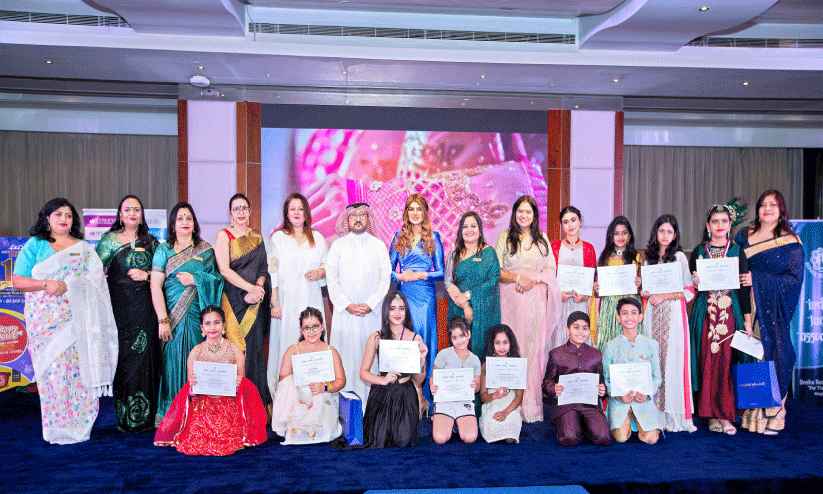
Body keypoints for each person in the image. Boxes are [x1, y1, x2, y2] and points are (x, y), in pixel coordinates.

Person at [12, 198, 118, 444]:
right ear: (47, 218)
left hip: (79, 323)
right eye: (58, 214)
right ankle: (57, 429)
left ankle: (81, 427)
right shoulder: (35, 245)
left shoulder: (84, 249)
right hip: (45, 326)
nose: (63, 219)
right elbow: (18, 280)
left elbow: (97, 283)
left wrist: (74, 284)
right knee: (54, 377)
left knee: (80, 374)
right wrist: (45, 284)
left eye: (68, 215)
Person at [154, 306, 267, 455]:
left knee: (225, 434)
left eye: (216, 322)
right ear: (202, 328)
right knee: (197, 437)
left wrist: (238, 383)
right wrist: (192, 385)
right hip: (203, 405)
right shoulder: (196, 352)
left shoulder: (235, 350)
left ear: (223, 325)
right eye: (207, 323)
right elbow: (191, 391)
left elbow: (242, 385)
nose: (212, 327)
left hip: (228, 403)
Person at [736, 190, 804, 436]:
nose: (767, 209)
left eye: (772, 205)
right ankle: (755, 412)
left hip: (772, 306)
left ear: (781, 209)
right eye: (763, 204)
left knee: (777, 353)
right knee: (753, 355)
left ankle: (776, 410)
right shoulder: (744, 235)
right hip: (747, 305)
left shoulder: (790, 242)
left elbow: (794, 279)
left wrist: (757, 279)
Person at [151, 202, 223, 419]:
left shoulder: (206, 250)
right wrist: (163, 320)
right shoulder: (163, 250)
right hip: (171, 320)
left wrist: (195, 279)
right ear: (173, 224)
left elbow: (218, 280)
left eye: (189, 218)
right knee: (172, 365)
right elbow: (155, 286)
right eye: (180, 218)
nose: (185, 222)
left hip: (197, 320)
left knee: (199, 363)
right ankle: (173, 416)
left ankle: (198, 416)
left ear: (194, 223)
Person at [96, 195, 161, 433]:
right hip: (119, 311)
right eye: (127, 209)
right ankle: (126, 418)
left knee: (148, 359)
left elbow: (165, 274)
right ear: (120, 214)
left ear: (142, 214)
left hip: (147, 311)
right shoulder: (109, 241)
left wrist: (147, 276)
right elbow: (93, 273)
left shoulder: (152, 242)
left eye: (136, 209)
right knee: (124, 360)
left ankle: (148, 418)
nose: (132, 213)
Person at [495, 195, 561, 423]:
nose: (523, 215)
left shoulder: (542, 239)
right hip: (510, 299)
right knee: (511, 347)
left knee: (533, 350)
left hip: (534, 300)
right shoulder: (505, 238)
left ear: (534, 215)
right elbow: (497, 271)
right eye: (520, 211)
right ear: (515, 214)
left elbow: (550, 269)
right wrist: (518, 278)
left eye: (528, 212)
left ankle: (530, 405)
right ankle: (508, 404)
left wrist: (532, 281)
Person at [689, 205, 752, 435]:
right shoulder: (698, 251)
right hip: (705, 313)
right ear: (708, 226)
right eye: (715, 221)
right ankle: (710, 414)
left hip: (729, 313)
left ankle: (725, 415)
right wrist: (694, 281)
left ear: (730, 225)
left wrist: (747, 323)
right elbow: (693, 285)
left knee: (726, 361)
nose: (719, 225)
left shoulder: (737, 252)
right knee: (706, 360)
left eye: (724, 221)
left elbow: (744, 290)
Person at [325, 202, 391, 403]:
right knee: (344, 358)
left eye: (362, 214)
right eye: (354, 215)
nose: (358, 218)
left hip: (370, 315)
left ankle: (370, 407)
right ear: (348, 219)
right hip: (345, 314)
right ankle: (344, 406)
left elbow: (385, 278)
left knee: (369, 358)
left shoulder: (378, 246)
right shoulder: (338, 246)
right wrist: (347, 305)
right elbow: (331, 279)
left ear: (368, 218)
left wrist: (371, 304)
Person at [267, 193, 328, 395]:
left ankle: (313, 396)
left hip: (311, 299)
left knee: (313, 343)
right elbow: (272, 271)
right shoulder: (278, 238)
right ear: (286, 213)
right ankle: (285, 396)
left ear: (306, 212)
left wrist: (319, 273)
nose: (296, 212)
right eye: (292, 209)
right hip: (286, 302)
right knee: (287, 343)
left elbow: (327, 267)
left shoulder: (317, 238)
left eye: (300, 209)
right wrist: (274, 302)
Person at [639, 215, 696, 433]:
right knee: (653, 362)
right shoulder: (649, 258)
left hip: (673, 317)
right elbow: (646, 290)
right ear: (656, 232)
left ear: (675, 235)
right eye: (661, 231)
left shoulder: (679, 257)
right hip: (652, 315)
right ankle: (655, 415)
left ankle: (674, 417)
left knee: (673, 363)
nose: (665, 235)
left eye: (669, 232)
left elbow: (689, 291)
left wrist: (664, 296)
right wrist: (644, 292)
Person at [214, 193, 271, 410]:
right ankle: (233, 409)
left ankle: (255, 408)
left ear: (249, 212)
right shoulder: (224, 236)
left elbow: (263, 268)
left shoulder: (257, 236)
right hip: (232, 301)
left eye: (244, 208)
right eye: (236, 209)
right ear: (230, 213)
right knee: (234, 351)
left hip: (255, 302)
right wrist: (251, 288)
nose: (240, 212)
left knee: (255, 351)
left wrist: (258, 288)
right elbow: (224, 270)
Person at [389, 194, 444, 414]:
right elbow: (388, 271)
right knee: (405, 344)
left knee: (425, 341)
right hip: (404, 297)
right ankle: (406, 397)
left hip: (426, 298)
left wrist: (420, 275)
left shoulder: (433, 237)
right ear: (406, 213)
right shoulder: (398, 237)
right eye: (411, 209)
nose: (415, 213)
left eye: (419, 209)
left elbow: (441, 272)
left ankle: (425, 398)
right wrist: (401, 276)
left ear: (425, 213)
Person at [359, 292, 428, 448]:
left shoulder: (416, 339)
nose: (397, 313)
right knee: (379, 441)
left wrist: (422, 359)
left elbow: (419, 380)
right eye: (392, 308)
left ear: (406, 311)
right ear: (386, 311)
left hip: (406, 395)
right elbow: (363, 372)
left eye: (401, 308)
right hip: (382, 393)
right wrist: (382, 380)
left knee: (404, 442)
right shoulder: (376, 337)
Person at [271, 307, 346, 444]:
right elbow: (284, 380)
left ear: (322, 326)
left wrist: (324, 388)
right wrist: (297, 399)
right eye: (307, 328)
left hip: (322, 394)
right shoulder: (293, 350)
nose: (311, 332)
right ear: (301, 329)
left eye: (315, 327)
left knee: (324, 431)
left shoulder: (331, 351)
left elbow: (341, 380)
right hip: (298, 398)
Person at [543, 311, 610, 446]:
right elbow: (546, 383)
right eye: (576, 327)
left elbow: (601, 382)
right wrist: (553, 388)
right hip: (566, 406)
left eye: (585, 328)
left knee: (603, 438)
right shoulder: (556, 354)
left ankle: (584, 426)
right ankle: (570, 425)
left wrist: (602, 390)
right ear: (567, 330)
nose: (581, 332)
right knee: (569, 438)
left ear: (588, 331)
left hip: (589, 405)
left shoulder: (595, 354)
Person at [603, 298, 662, 445]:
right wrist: (618, 396)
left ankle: (640, 421)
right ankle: (622, 418)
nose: (629, 317)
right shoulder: (610, 347)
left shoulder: (651, 345)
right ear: (618, 317)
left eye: (634, 313)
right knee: (621, 438)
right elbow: (606, 379)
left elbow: (657, 378)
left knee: (651, 439)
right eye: (624, 313)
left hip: (643, 400)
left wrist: (648, 393)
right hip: (620, 402)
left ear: (640, 317)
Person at [445, 211, 501, 358]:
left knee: (482, 352)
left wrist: (469, 295)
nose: (469, 230)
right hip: (458, 310)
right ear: (460, 231)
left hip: (483, 312)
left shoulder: (489, 253)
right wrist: (465, 305)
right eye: (465, 226)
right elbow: (448, 282)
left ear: (480, 230)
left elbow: (493, 280)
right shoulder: (453, 254)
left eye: (473, 226)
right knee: (459, 353)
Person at [550, 206, 598, 349]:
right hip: (560, 303)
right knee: (560, 340)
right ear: (561, 226)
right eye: (565, 222)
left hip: (580, 303)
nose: (570, 225)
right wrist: (558, 295)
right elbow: (550, 278)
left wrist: (584, 296)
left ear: (580, 222)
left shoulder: (589, 248)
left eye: (573, 220)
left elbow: (591, 279)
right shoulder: (554, 247)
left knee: (580, 339)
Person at [594, 216, 641, 352]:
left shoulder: (637, 257)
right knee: (610, 347)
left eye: (624, 233)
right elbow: (598, 293)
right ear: (611, 236)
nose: (620, 237)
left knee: (630, 348)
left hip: (630, 308)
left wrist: (640, 284)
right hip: (610, 308)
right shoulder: (604, 258)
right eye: (616, 233)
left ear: (629, 236)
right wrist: (596, 289)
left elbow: (643, 290)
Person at [431, 317, 481, 444]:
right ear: (451, 339)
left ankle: (457, 424)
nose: (459, 341)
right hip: (445, 401)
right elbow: (433, 377)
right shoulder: (443, 354)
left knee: (470, 438)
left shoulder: (475, 359)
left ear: (468, 334)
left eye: (462, 336)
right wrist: (433, 386)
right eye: (454, 337)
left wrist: (474, 386)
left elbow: (478, 387)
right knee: (440, 439)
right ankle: (449, 422)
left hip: (464, 401)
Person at [479, 324, 523, 443]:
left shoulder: (518, 364)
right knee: (492, 437)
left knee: (510, 439)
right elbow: (483, 396)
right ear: (492, 344)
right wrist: (495, 395)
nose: (502, 347)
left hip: (511, 406)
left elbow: (519, 396)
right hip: (492, 404)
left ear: (511, 343)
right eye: (497, 343)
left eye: (505, 342)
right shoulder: (486, 365)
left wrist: (505, 412)